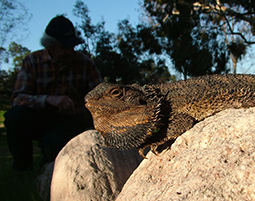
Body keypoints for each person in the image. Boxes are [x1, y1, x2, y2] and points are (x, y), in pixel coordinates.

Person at [4, 15, 102, 171]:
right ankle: (23, 169)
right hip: (38, 117)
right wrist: (47, 100)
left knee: (55, 143)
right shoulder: (32, 61)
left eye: (72, 46)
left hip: (69, 120)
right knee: (14, 117)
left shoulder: (84, 63)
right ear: (49, 45)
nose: (69, 52)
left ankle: (49, 170)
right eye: (63, 47)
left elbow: (101, 96)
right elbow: (18, 98)